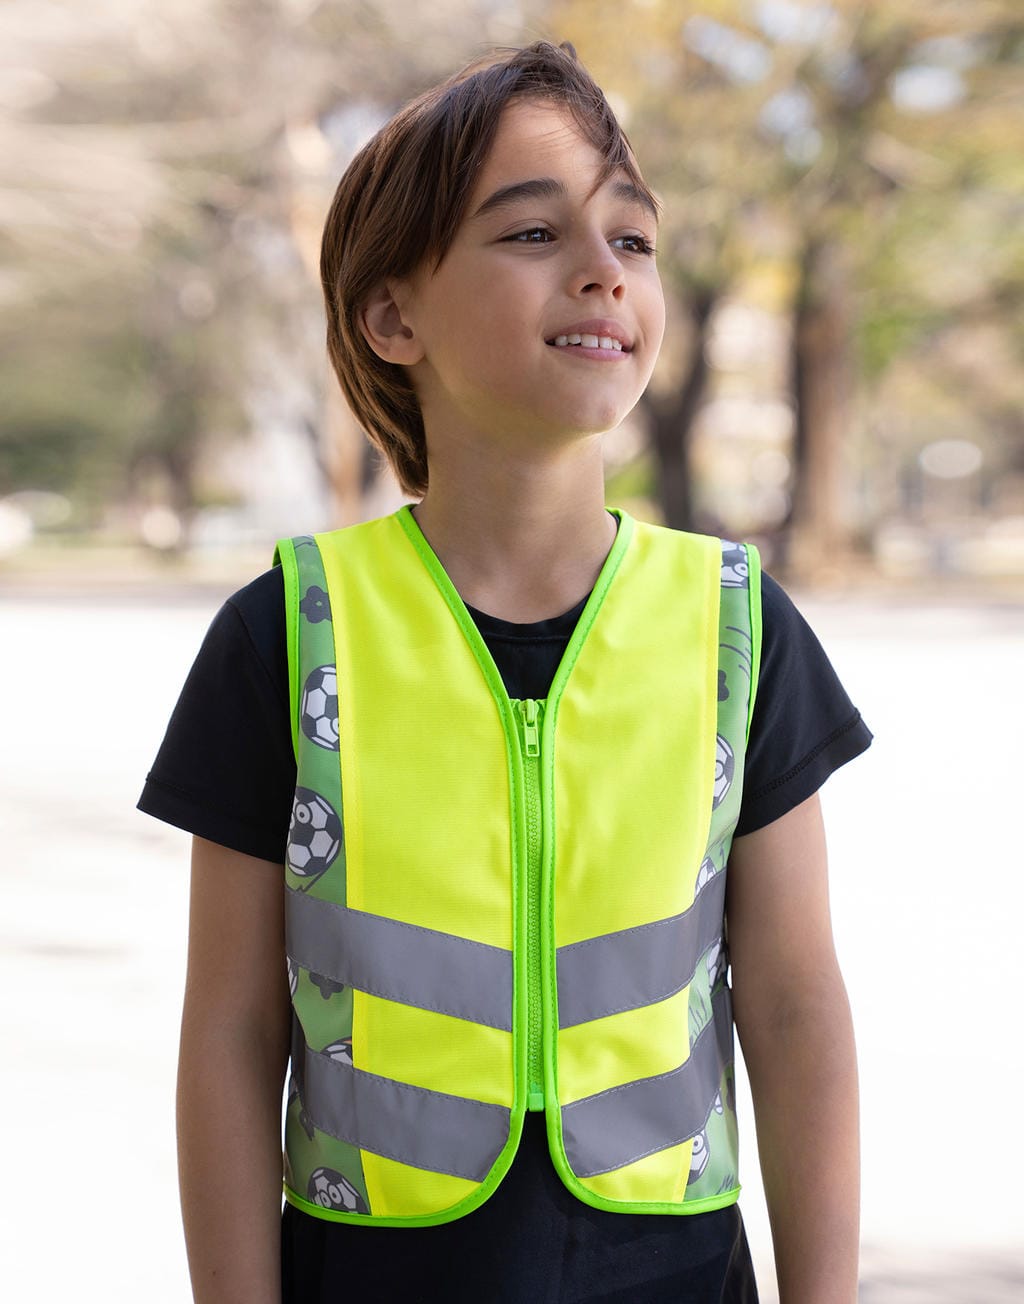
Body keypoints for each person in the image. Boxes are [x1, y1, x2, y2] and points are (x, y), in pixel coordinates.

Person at [139, 40, 870, 1304]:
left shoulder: (736, 629)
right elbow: (232, 1031)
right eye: (532, 233)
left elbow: (796, 1005)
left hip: (672, 1268)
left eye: (631, 240)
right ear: (392, 315)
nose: (602, 268)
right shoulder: (288, 634)